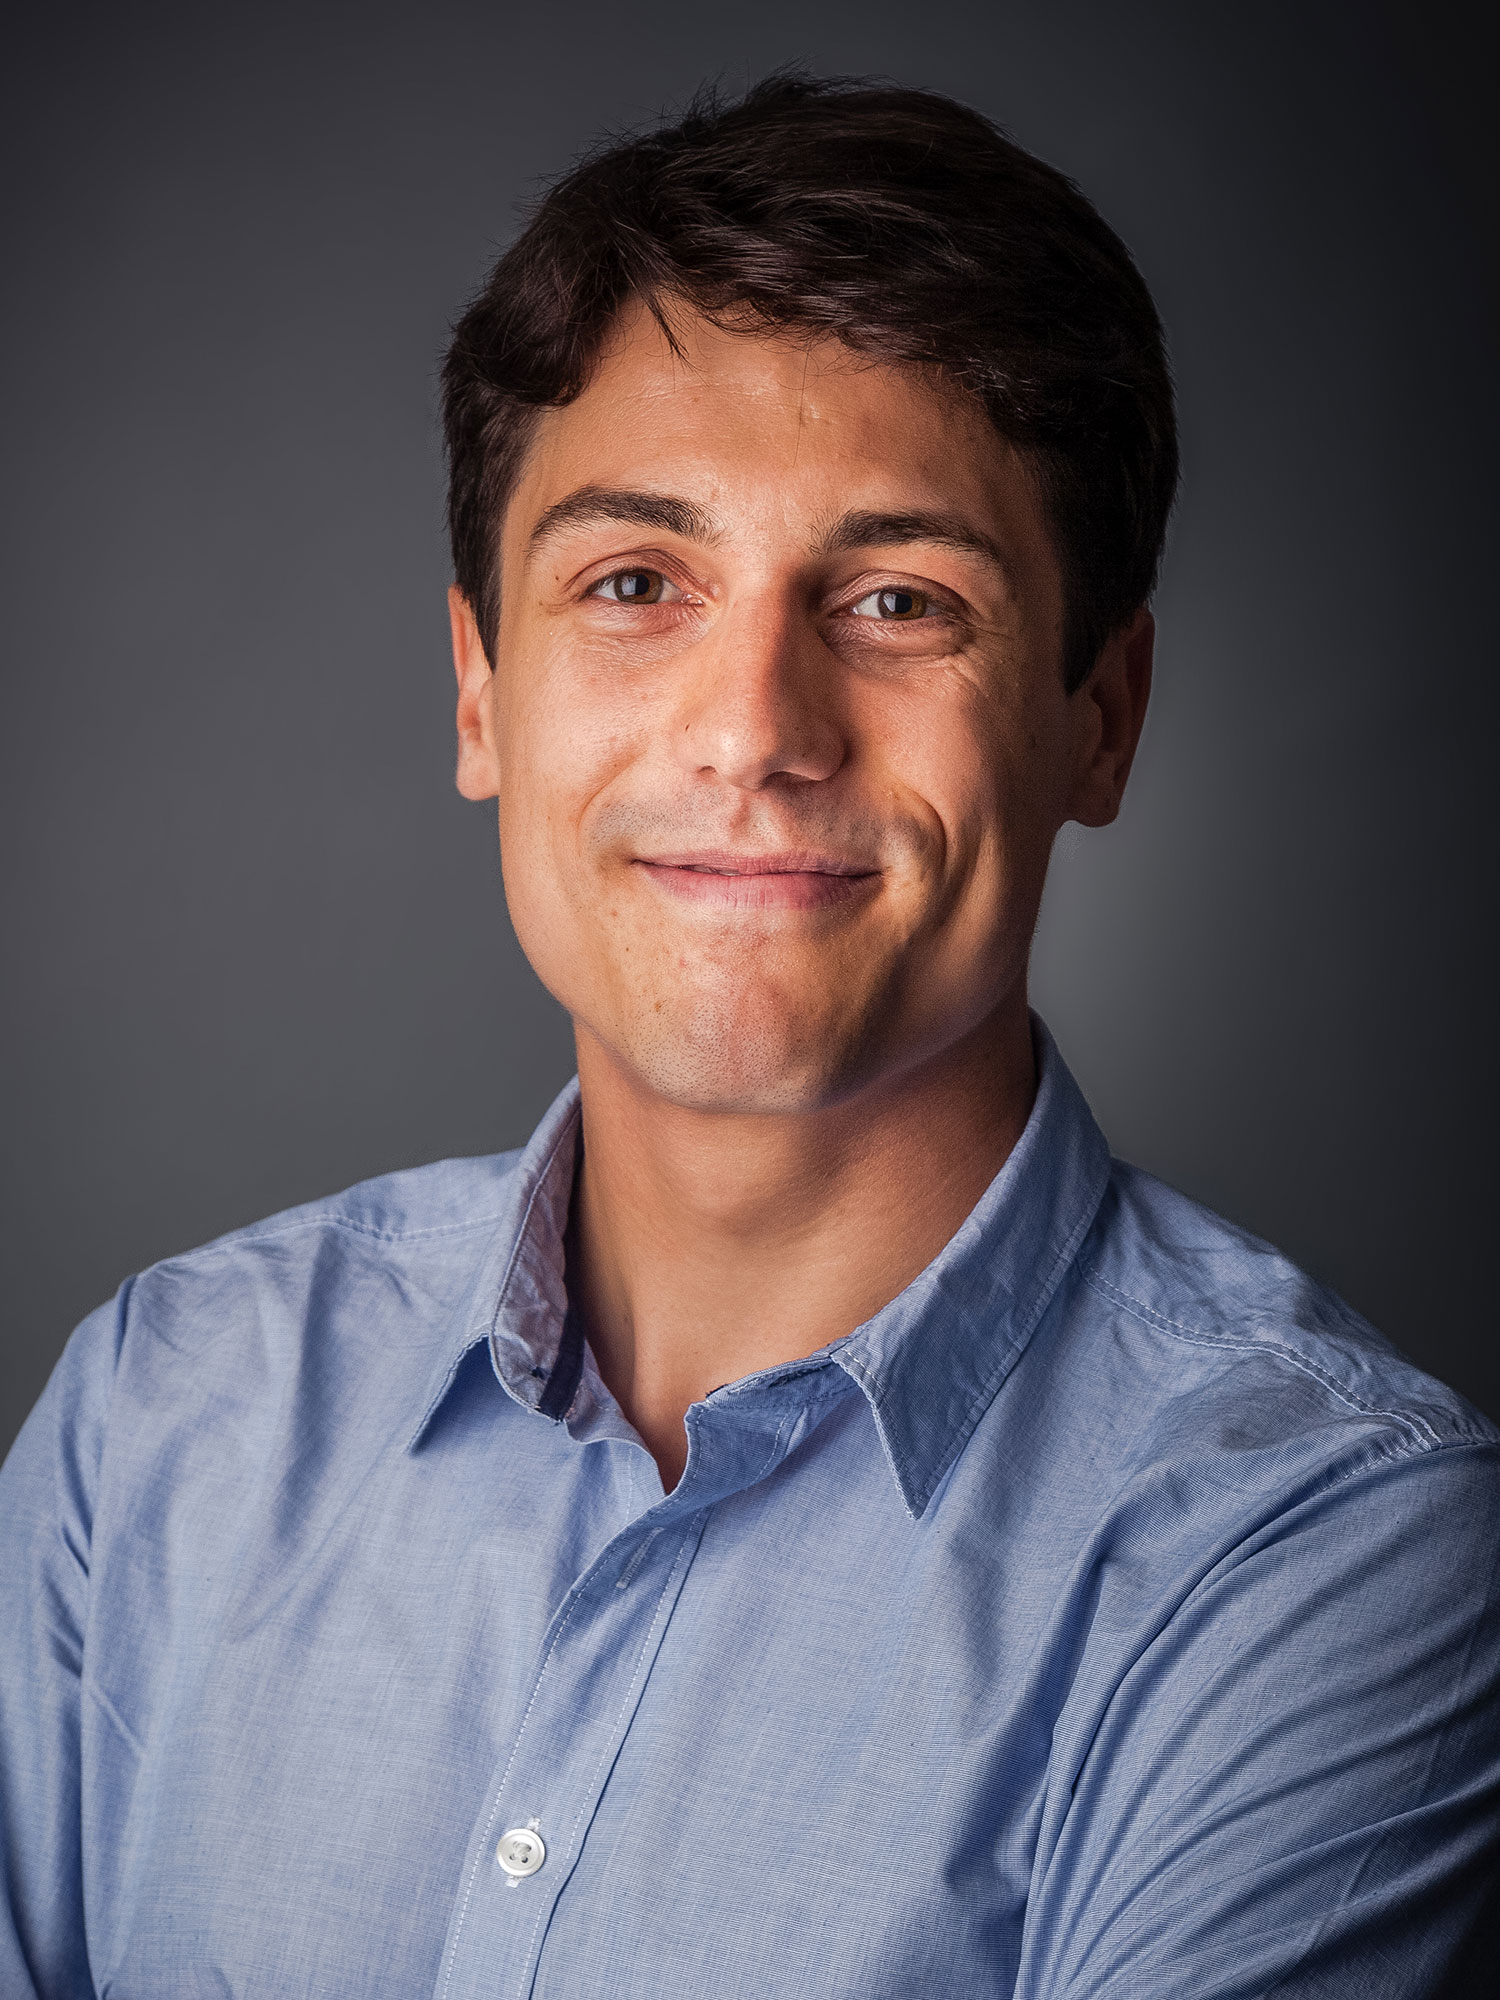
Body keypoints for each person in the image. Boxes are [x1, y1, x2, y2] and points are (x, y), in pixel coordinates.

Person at [2, 72, 1496, 2000]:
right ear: (481, 692)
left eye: (895, 600)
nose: (751, 728)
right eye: (636, 585)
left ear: (1098, 719)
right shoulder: (159, 1430)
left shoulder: (1323, 1563)